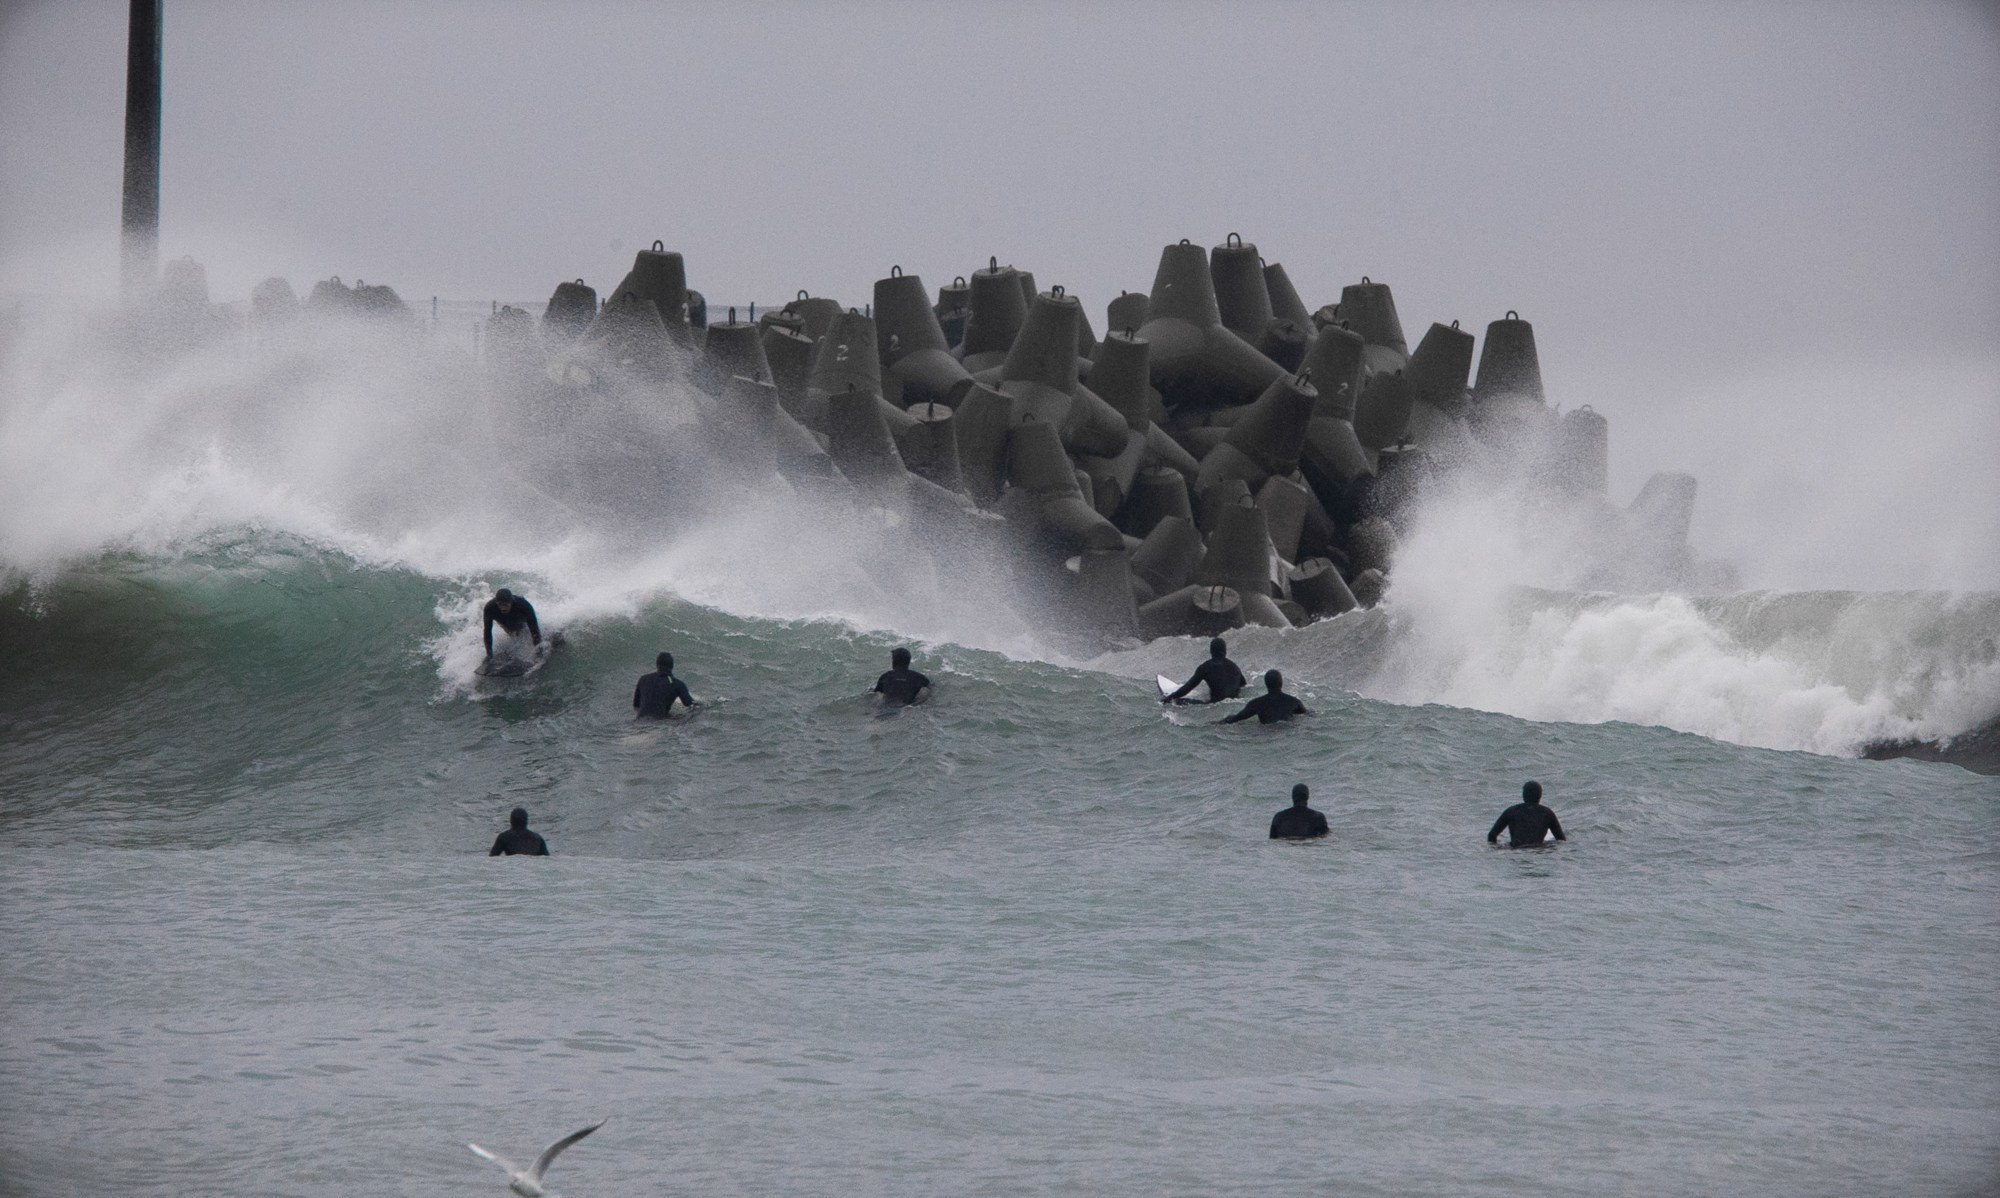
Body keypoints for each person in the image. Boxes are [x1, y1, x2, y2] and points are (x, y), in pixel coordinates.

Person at [1163, 637, 1248, 704]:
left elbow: (1187, 688)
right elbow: (1243, 685)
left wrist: (1169, 698)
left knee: (1178, 701)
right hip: (1234, 703)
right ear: (1225, 651)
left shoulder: (1205, 667)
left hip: (1215, 705)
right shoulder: (1235, 667)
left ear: (1211, 651)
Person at [1487, 780, 1566, 847]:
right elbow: (1561, 839)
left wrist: (1497, 848)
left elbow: (1492, 835)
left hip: (1516, 850)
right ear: (1540, 795)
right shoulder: (1547, 813)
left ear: (1523, 795)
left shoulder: (1511, 811)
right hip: (1539, 851)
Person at [1221, 669, 1311, 724]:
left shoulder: (1256, 703)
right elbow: (1307, 715)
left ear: (1266, 684)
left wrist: (1220, 722)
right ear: (1281, 683)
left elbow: (1236, 718)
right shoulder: (1294, 702)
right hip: (1285, 730)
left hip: (1266, 732)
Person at [481, 587, 542, 659]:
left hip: (521, 621)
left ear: (511, 602)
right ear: (496, 602)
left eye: (505, 604)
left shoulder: (524, 606)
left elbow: (534, 629)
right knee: (511, 632)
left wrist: (538, 651)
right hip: (505, 622)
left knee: (522, 630)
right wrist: (489, 654)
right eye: (500, 604)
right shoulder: (490, 608)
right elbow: (487, 632)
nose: (503, 608)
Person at [633, 652, 696, 719]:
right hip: (659, 724)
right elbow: (690, 704)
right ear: (672, 666)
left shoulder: (643, 679)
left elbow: (636, 705)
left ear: (657, 665)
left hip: (639, 721)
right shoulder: (677, 684)